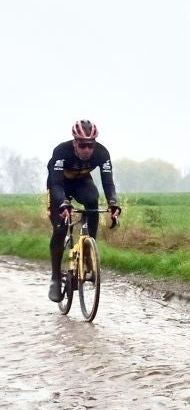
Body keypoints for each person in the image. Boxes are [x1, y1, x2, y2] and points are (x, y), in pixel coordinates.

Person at [45, 120, 121, 302]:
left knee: (92, 202)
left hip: (82, 182)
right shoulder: (61, 151)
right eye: (82, 145)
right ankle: (55, 277)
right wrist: (63, 203)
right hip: (59, 185)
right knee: (60, 228)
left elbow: (108, 182)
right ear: (75, 143)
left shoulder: (102, 153)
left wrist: (113, 203)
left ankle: (88, 253)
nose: (87, 149)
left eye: (90, 145)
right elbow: (55, 184)